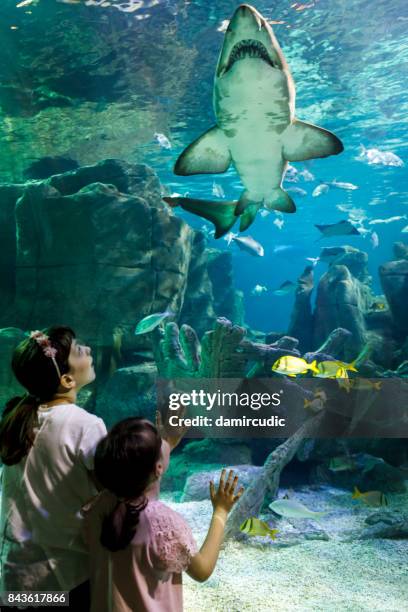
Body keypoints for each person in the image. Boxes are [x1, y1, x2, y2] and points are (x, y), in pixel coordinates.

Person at [82, 417, 244, 612]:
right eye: (162, 448)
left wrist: (166, 442)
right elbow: (202, 571)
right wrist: (220, 511)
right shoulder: (164, 524)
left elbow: (136, 467)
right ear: (158, 468)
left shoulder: (100, 505)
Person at [0, 326, 106, 610]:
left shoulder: (17, 419)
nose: (90, 351)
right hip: (68, 577)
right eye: (80, 351)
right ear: (67, 379)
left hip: (16, 578)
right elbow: (111, 490)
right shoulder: (86, 426)